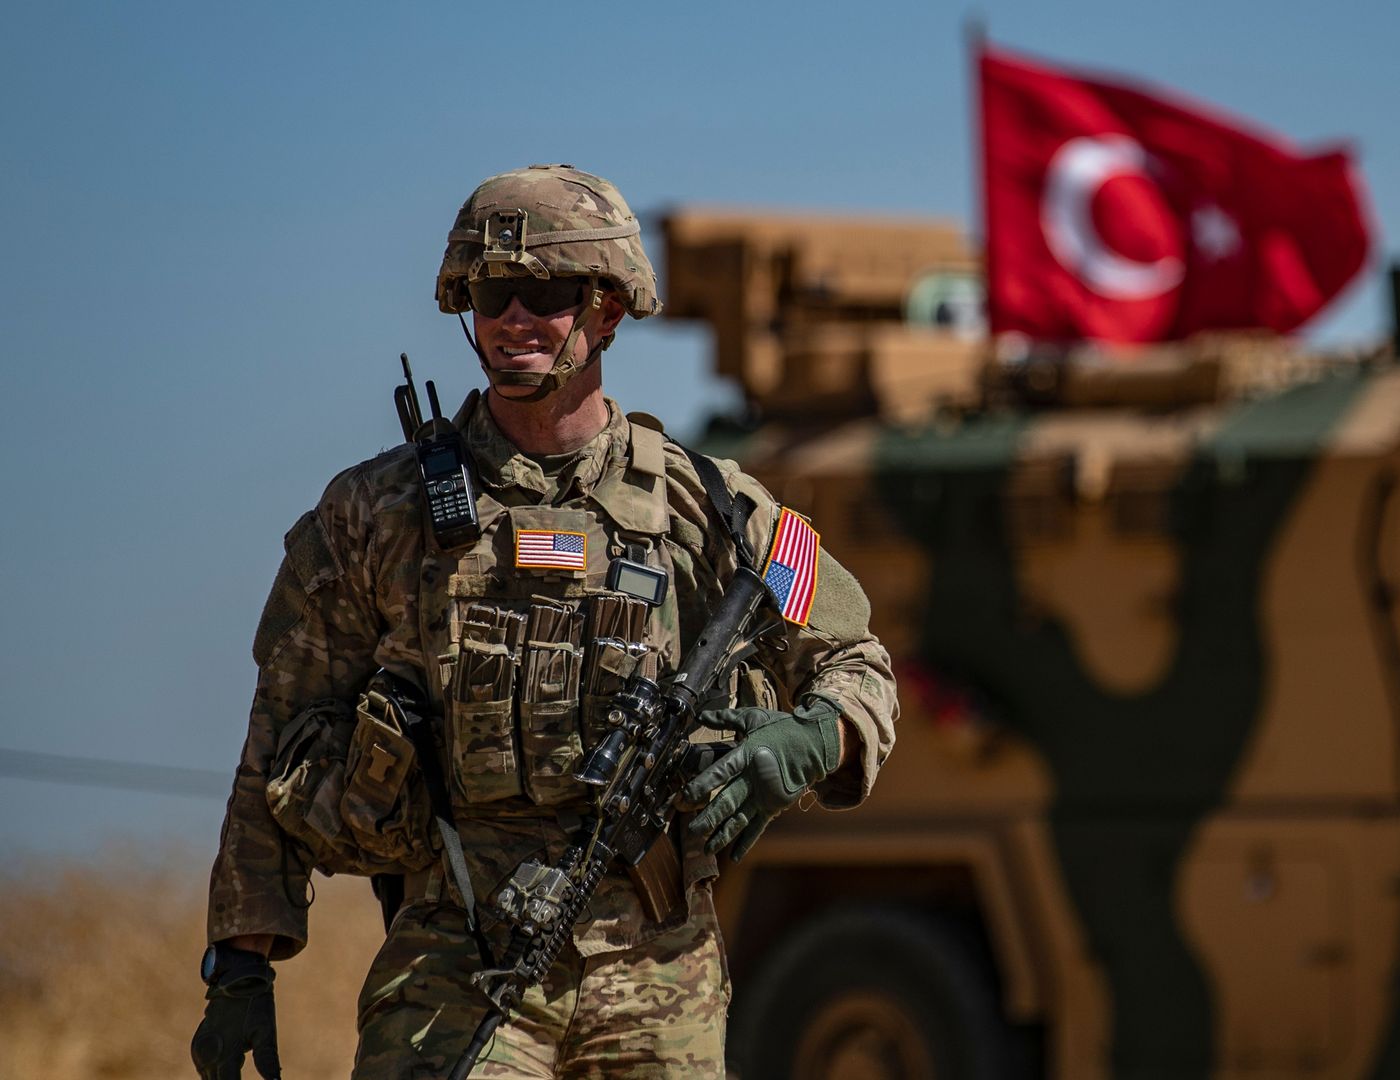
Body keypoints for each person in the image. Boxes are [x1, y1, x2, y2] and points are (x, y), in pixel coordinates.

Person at [194, 164, 898, 1079]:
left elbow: (856, 659)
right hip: (458, 955)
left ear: (606, 310)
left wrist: (810, 739)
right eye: (492, 293)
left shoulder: (711, 506)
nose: (514, 317)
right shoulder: (376, 513)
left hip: (659, 970)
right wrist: (241, 961)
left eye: (547, 292)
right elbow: (281, 725)